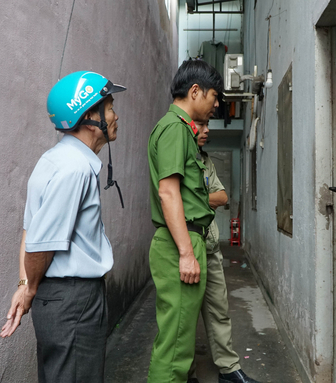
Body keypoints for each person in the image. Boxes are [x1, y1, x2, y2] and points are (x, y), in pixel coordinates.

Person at [0, 71, 126, 383]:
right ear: (88, 116)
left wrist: (24, 284)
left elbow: (30, 231)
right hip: (74, 302)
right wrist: (28, 289)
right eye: (108, 107)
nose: (115, 115)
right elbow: (41, 244)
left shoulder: (54, 159)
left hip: (60, 299)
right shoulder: (75, 170)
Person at [146, 59, 222, 383]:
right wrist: (187, 253)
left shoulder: (179, 130)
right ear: (195, 91)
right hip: (181, 242)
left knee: (179, 342)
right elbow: (169, 193)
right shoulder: (176, 128)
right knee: (175, 348)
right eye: (213, 97)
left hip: (187, 239)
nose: (216, 105)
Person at [188, 120, 260, 383]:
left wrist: (195, 198)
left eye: (208, 124)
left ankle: (229, 370)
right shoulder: (179, 157)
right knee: (185, 317)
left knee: (219, 310)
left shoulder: (206, 161)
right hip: (185, 247)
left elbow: (222, 197)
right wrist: (203, 198)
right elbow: (172, 198)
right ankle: (186, 373)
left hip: (211, 247)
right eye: (201, 124)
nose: (207, 130)